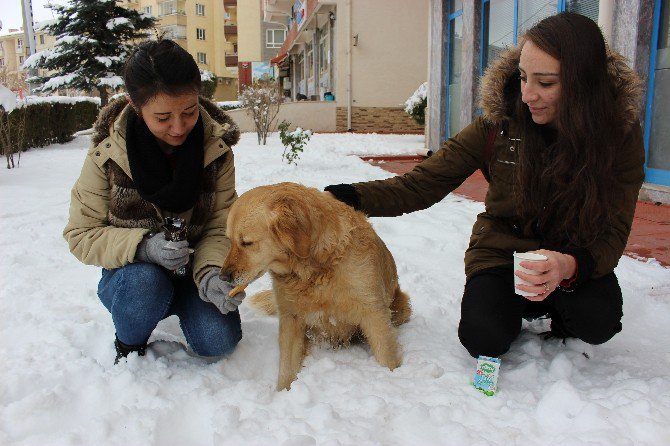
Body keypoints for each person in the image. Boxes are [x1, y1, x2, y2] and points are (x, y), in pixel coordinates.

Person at [324, 13, 645, 359]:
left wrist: (567, 266)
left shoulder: (618, 138)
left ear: (583, 85)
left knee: (598, 322)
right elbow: (420, 185)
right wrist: (340, 198)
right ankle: (510, 307)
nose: (528, 95)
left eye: (546, 83)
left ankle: (559, 314)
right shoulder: (498, 125)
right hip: (503, 253)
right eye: (523, 78)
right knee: (483, 337)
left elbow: (613, 231)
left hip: (573, 258)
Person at [63, 39, 245, 363]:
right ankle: (129, 344)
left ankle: (189, 299)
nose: (178, 128)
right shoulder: (107, 154)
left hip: (191, 271)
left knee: (219, 341)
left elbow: (221, 225)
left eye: (189, 112)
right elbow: (81, 234)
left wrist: (212, 272)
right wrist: (144, 247)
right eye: (162, 118)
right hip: (132, 279)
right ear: (136, 106)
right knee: (146, 283)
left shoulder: (216, 150)